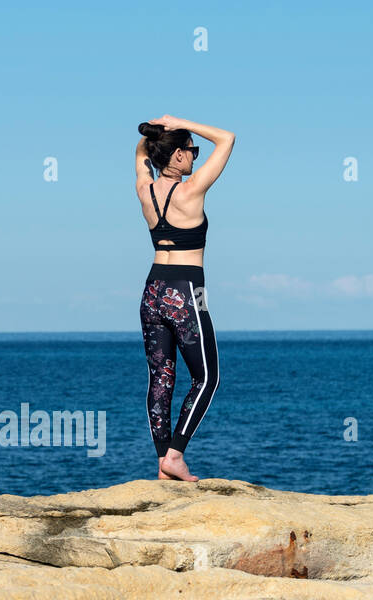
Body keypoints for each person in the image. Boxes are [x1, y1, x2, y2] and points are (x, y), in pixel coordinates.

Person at [135, 114, 235, 481]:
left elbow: (142, 152)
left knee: (161, 377)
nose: (194, 155)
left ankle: (162, 462)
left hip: (152, 290)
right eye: (191, 149)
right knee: (207, 377)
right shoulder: (191, 191)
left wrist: (154, 133)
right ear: (176, 156)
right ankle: (176, 454)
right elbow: (227, 138)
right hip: (186, 291)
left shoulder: (144, 189)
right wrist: (178, 121)